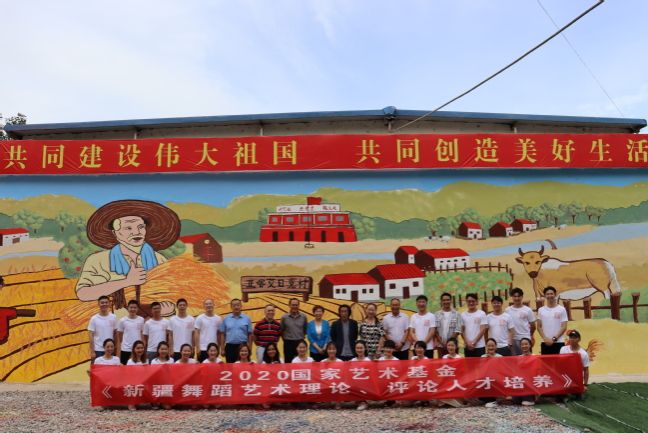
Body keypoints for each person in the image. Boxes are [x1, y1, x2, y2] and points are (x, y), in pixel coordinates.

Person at [75, 200, 179, 316]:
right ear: (116, 233)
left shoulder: (159, 259)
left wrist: (168, 307)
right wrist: (127, 282)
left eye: (140, 227)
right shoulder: (98, 260)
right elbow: (83, 293)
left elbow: (172, 292)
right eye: (128, 228)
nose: (136, 232)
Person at [220, 299, 253, 363]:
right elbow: (222, 334)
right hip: (230, 347)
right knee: (230, 366)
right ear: (231, 307)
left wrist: (250, 349)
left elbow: (250, 335)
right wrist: (222, 349)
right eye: (234, 305)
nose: (236, 307)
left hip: (243, 347)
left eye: (238, 305)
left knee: (243, 366)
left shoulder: (247, 318)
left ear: (241, 306)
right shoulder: (226, 319)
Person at [537, 286, 568, 354]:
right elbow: (539, 327)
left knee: (559, 361)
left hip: (559, 342)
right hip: (545, 342)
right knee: (546, 361)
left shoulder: (561, 309)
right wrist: (545, 338)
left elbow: (564, 326)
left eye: (551, 294)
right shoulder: (541, 310)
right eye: (547, 294)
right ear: (545, 296)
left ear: (555, 295)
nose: (549, 296)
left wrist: (554, 339)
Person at [506, 288, 537, 355]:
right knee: (514, 359)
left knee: (527, 358)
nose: (517, 298)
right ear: (512, 297)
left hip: (525, 339)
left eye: (518, 296)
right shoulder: (507, 310)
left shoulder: (528, 310)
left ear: (522, 297)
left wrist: (529, 335)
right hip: (513, 339)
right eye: (515, 296)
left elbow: (533, 326)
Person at [559, 330, 589, 395]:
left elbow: (586, 370)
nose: (572, 339)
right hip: (565, 377)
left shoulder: (583, 353)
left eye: (575, 337)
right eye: (571, 337)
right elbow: (560, 365)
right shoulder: (563, 349)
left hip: (577, 380)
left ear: (579, 339)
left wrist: (585, 385)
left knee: (577, 395)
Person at [87, 295, 117, 362]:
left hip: (110, 349)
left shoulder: (113, 317)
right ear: (98, 304)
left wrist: (115, 348)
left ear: (109, 304)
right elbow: (91, 335)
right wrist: (92, 351)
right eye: (102, 303)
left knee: (110, 368)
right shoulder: (94, 319)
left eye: (106, 302)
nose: (104, 304)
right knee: (98, 368)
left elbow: (115, 334)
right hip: (98, 350)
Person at [434, 292, 463, 358]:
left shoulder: (457, 314)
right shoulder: (436, 314)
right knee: (442, 363)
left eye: (448, 300)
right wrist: (441, 343)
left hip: (453, 346)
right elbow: (435, 330)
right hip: (441, 346)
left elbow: (457, 330)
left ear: (451, 301)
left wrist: (449, 343)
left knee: (454, 363)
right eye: (444, 300)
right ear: (441, 301)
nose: (446, 302)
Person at [116, 299, 144, 365]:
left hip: (138, 349)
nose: (133, 309)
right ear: (128, 308)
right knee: (125, 368)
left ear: (137, 309)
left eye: (135, 307)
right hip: (126, 349)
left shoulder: (141, 319)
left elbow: (142, 334)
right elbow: (120, 336)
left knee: (138, 368)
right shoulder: (122, 320)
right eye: (131, 307)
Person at [281, 298, 308, 363]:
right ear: (289, 305)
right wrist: (286, 339)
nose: (294, 306)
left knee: (300, 361)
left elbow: (305, 329)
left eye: (296, 305)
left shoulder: (304, 317)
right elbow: (281, 330)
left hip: (300, 343)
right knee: (288, 362)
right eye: (293, 305)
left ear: (298, 305)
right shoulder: (284, 317)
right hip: (288, 343)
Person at [461, 293, 488, 357]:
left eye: (473, 301)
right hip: (467, 346)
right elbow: (462, 331)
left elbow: (483, 329)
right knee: (469, 363)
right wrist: (467, 342)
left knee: (481, 363)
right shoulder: (462, 315)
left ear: (476, 302)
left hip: (480, 346)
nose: (471, 303)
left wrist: (474, 342)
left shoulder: (482, 313)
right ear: (466, 302)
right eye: (469, 301)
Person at [513, 337, 536, 406]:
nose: (524, 346)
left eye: (526, 344)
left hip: (531, 382)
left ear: (530, 345)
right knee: (516, 400)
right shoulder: (518, 357)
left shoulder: (535, 357)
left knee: (526, 402)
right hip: (521, 382)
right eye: (522, 344)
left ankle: (532, 398)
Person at [481, 338, 502, 408]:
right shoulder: (483, 356)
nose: (491, 347)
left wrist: (492, 358)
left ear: (496, 347)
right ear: (486, 347)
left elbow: (501, 370)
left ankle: (492, 400)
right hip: (486, 378)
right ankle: (491, 400)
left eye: (492, 346)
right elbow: (481, 370)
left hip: (497, 378)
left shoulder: (500, 357)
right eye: (489, 346)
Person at [351, 340, 371, 411]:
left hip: (365, 383)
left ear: (365, 349)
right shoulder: (352, 360)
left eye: (361, 348)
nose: (359, 350)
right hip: (355, 382)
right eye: (357, 348)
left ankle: (363, 402)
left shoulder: (368, 361)